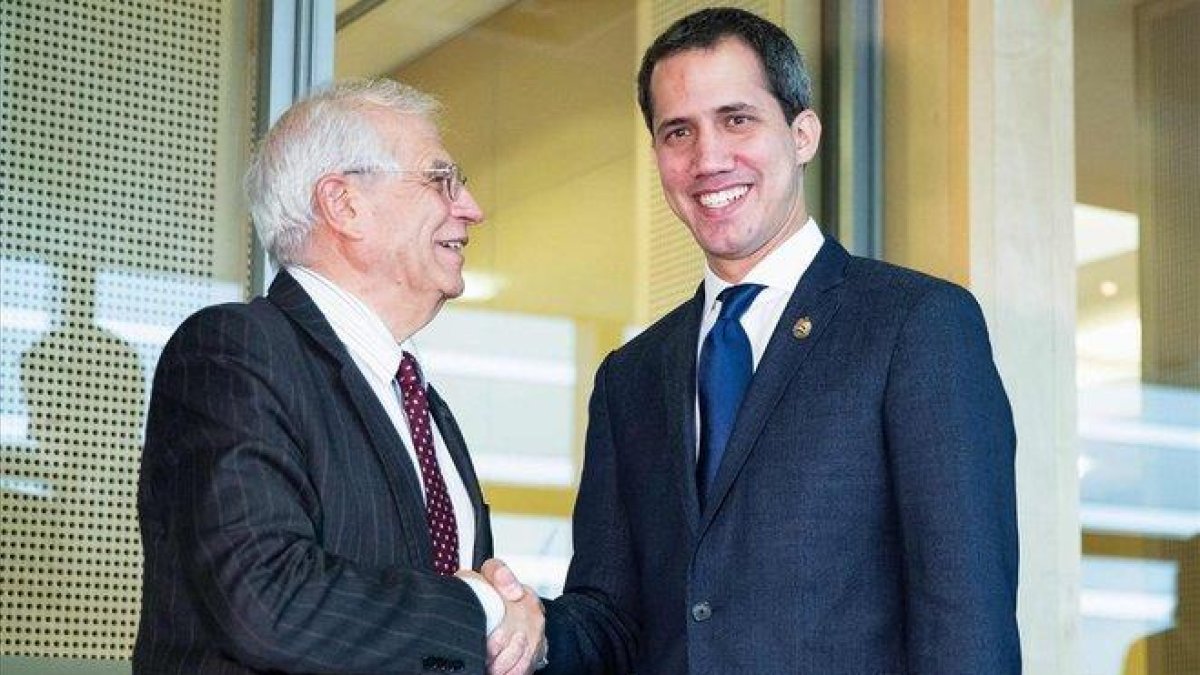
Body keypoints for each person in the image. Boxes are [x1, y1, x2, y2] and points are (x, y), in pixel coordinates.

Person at [502, 7, 1020, 674]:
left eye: (736, 119)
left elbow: (966, 620)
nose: (708, 158)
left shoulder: (915, 324)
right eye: (677, 131)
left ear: (803, 133)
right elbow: (610, 618)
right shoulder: (629, 377)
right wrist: (530, 628)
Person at [134, 79, 544, 675]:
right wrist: (482, 604)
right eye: (441, 180)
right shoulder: (234, 352)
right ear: (343, 204)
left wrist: (522, 619)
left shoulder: (421, 401)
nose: (471, 208)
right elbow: (268, 602)